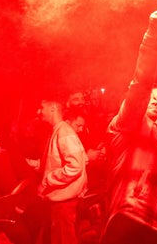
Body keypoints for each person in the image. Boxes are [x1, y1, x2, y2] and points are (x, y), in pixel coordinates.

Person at [100, 8, 157, 244]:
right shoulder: (129, 123)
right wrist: (152, 35)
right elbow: (141, 82)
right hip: (130, 219)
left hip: (154, 223)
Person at [36, 98, 88, 244]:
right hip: (62, 201)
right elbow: (82, 160)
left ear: (53, 108)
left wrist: (48, 179)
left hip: (64, 202)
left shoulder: (64, 132)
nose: (39, 112)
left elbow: (75, 166)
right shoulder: (60, 131)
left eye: (42, 107)